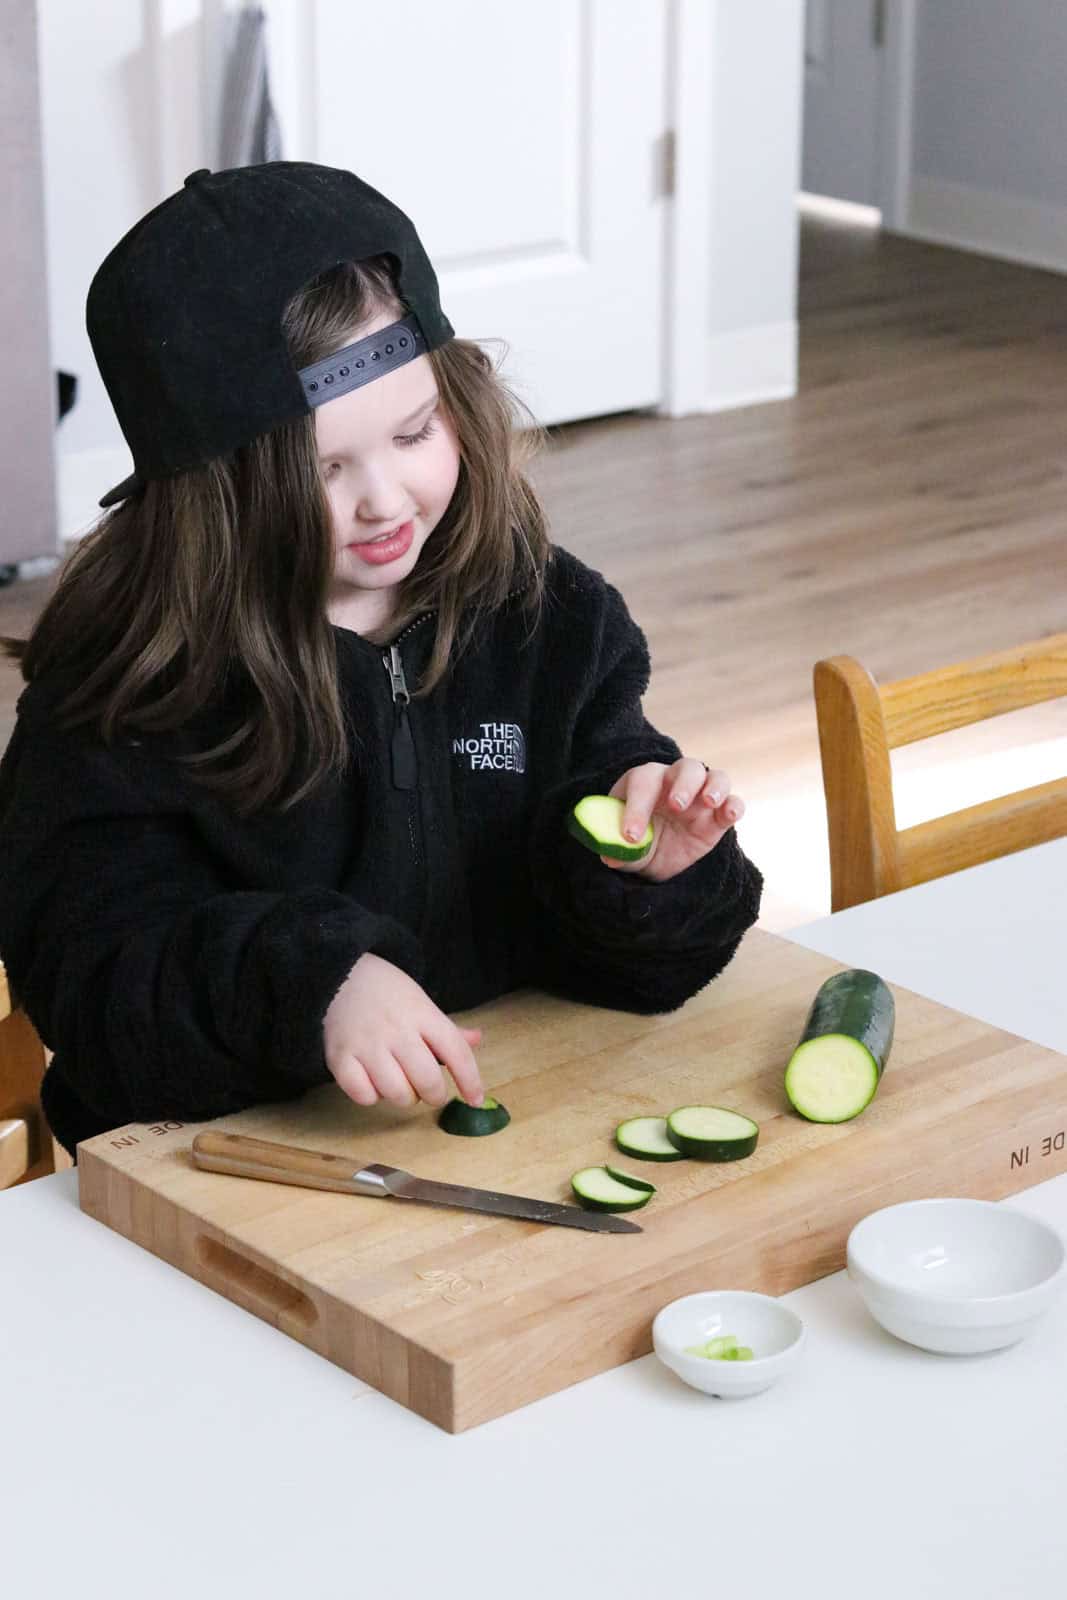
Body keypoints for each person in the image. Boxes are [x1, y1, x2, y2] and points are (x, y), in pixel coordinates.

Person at [0, 162, 762, 1158]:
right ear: (210, 494)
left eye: (412, 432)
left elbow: (640, 969)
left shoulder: (545, 615)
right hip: (215, 1178)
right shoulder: (128, 696)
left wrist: (644, 876)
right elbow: (98, 990)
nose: (384, 498)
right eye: (322, 467)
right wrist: (314, 984)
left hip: (501, 1136)